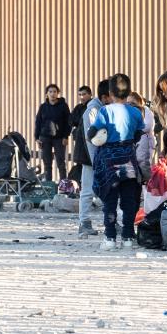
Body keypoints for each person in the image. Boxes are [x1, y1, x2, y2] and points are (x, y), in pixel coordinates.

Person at [87, 74, 144, 251]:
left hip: (108, 161)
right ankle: (128, 237)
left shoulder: (104, 111)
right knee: (129, 202)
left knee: (110, 202)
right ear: (128, 92)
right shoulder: (135, 111)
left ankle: (110, 237)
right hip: (128, 159)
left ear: (110, 93)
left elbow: (93, 132)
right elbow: (138, 134)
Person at [76, 80, 110, 237]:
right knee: (88, 191)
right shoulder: (93, 110)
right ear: (105, 96)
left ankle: (109, 220)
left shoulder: (100, 108)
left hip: (97, 157)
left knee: (103, 191)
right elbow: (92, 138)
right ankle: (84, 223)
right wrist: (97, 159)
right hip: (91, 157)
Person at [34, 84, 71, 183]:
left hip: (59, 138)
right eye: (50, 92)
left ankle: (64, 185)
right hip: (45, 138)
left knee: (61, 163)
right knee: (47, 163)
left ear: (58, 93)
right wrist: (36, 137)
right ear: (47, 94)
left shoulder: (63, 106)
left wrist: (66, 136)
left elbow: (69, 122)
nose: (52, 94)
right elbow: (38, 122)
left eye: (54, 91)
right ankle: (48, 185)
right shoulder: (43, 107)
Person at [127, 92, 156, 179]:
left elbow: (148, 126)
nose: (130, 105)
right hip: (133, 141)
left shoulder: (146, 110)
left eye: (132, 103)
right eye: (128, 103)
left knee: (143, 163)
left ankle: (147, 181)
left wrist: (134, 129)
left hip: (145, 140)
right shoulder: (128, 112)